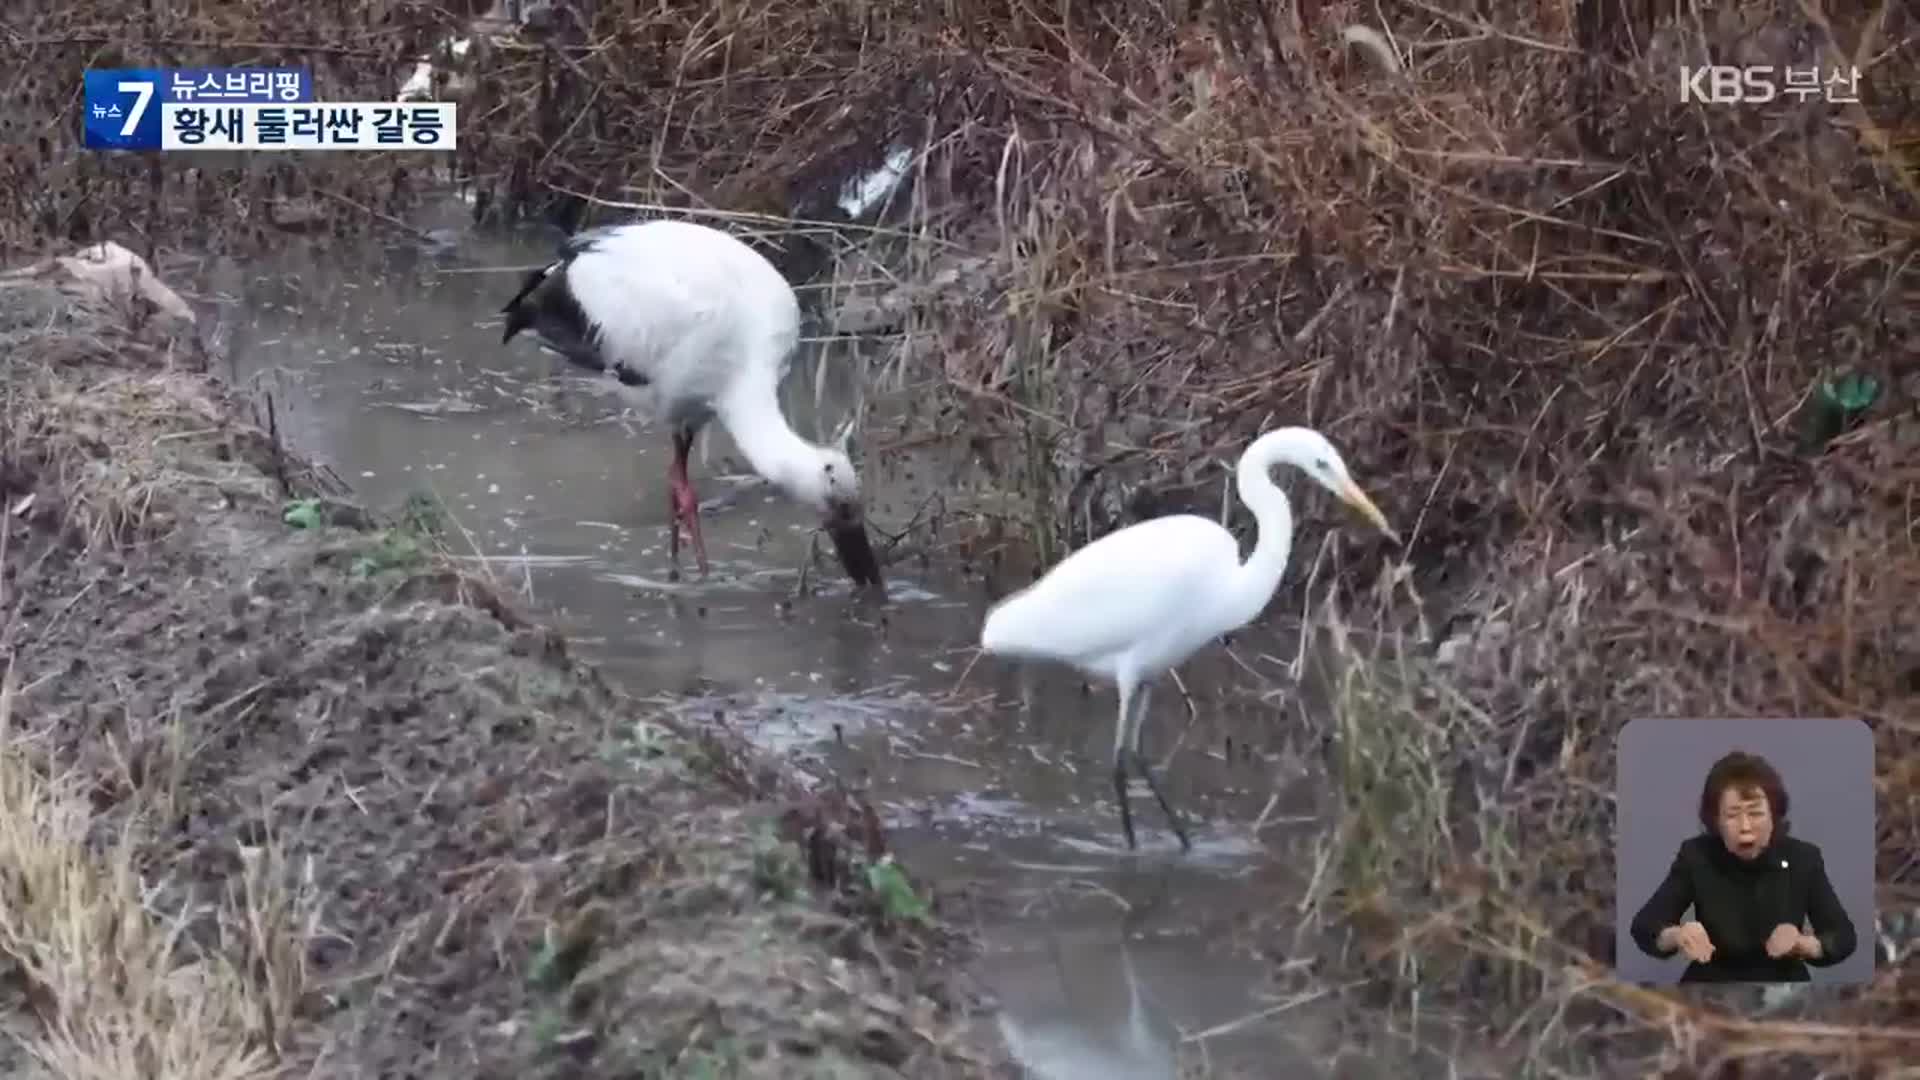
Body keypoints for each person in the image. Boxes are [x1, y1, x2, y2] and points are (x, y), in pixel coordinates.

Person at [1628, 749, 1857, 982]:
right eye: (1732, 815)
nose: (1745, 826)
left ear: (1774, 816)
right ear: (1715, 820)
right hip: (1712, 984)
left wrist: (1803, 944)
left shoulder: (1803, 858)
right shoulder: (1696, 856)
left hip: (1783, 985)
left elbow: (1843, 937)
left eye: (1756, 813)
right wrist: (1677, 935)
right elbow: (1646, 926)